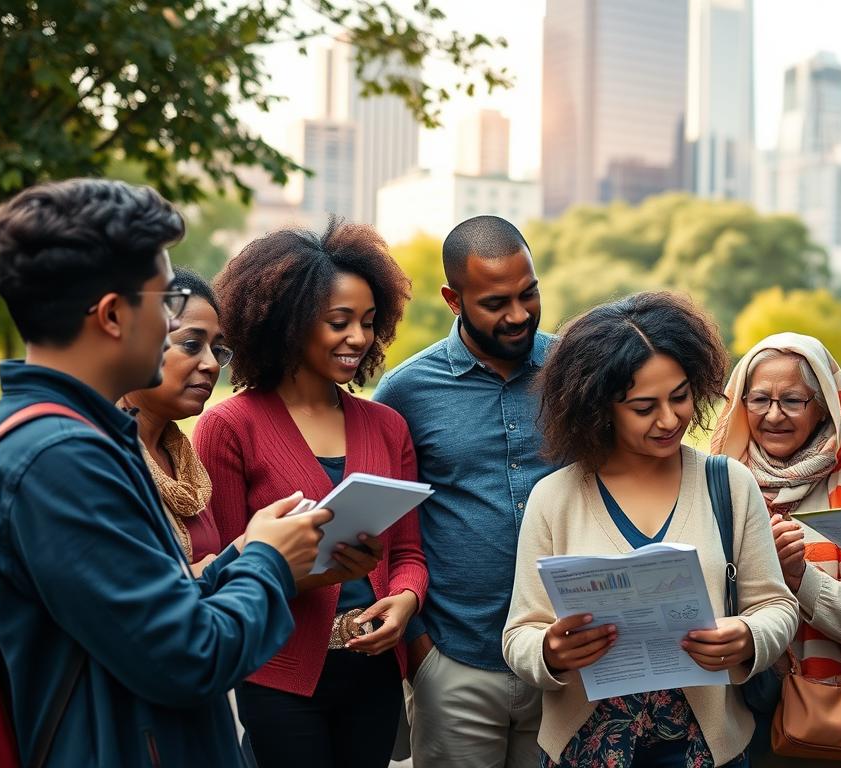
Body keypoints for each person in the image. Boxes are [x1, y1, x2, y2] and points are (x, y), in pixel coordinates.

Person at [0, 178, 329, 765]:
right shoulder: (60, 459)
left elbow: (146, 613)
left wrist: (243, 554)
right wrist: (270, 562)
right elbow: (189, 656)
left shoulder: (78, 438)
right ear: (112, 315)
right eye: (163, 303)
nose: (170, 326)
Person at [504, 291, 799, 768]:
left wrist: (746, 636)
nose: (669, 419)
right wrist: (551, 650)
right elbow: (519, 635)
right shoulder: (553, 497)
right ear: (599, 407)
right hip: (585, 748)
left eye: (680, 397)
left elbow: (776, 605)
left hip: (706, 749)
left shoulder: (729, 483)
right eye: (644, 407)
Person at [195, 219, 427, 768]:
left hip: (373, 672)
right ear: (290, 322)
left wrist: (405, 601)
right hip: (278, 674)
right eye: (338, 322)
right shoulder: (230, 427)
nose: (358, 338)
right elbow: (227, 567)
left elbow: (409, 553)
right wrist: (310, 571)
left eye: (368, 323)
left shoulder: (388, 425)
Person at [372, 215, 556, 768]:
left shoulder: (575, 369)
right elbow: (383, 525)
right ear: (454, 299)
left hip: (562, 654)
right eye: (496, 303)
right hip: (452, 658)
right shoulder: (405, 392)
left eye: (529, 294)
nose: (519, 314)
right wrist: (420, 647)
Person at [710, 332, 841, 767]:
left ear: (823, 406)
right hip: (741, 708)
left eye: (792, 400)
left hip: (838, 716)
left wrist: (798, 579)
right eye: (759, 400)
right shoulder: (719, 480)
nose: (774, 415)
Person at [118, 266, 233, 577]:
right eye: (192, 345)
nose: (211, 364)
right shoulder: (101, 455)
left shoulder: (185, 462)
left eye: (217, 350)